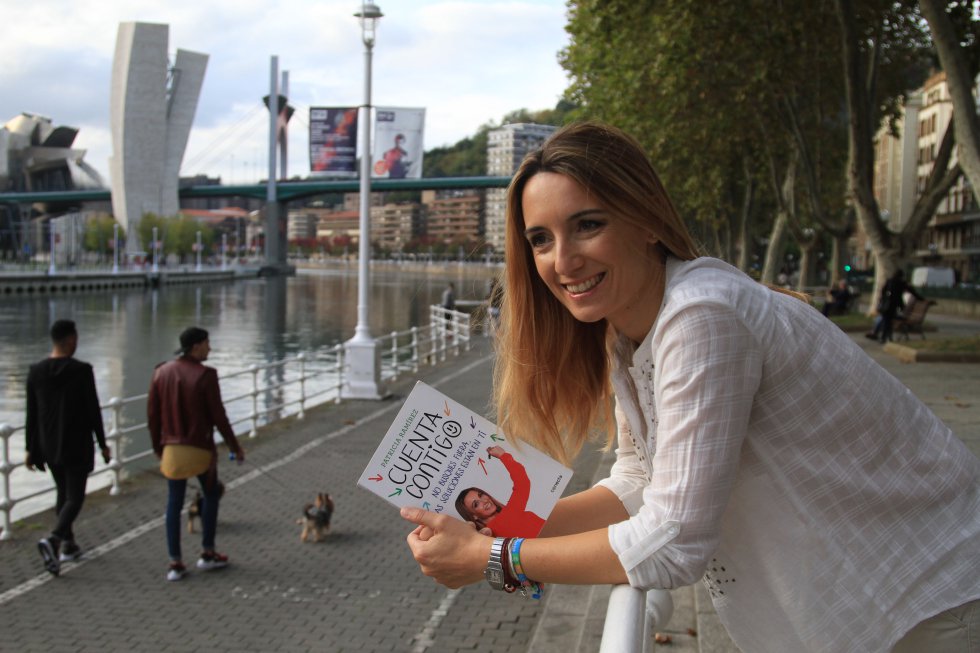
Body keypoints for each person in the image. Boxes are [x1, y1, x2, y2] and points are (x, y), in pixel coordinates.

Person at [401, 122, 979, 652]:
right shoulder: (628, 335)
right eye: (541, 239)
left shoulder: (701, 315)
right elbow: (639, 480)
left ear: (648, 221)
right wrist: (502, 524)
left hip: (930, 602)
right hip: (877, 610)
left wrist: (495, 557)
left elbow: (675, 543)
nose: (564, 260)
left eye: (588, 225)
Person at [148, 327, 245, 582]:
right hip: (199, 448)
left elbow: (153, 416)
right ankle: (207, 552)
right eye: (207, 343)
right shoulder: (206, 375)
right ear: (196, 346)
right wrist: (234, 446)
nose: (209, 348)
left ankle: (175, 562)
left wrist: (158, 448)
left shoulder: (161, 372)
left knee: (174, 502)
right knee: (211, 494)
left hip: (171, 448)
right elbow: (219, 416)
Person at [25, 319, 112, 576]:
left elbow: (31, 413)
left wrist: (30, 448)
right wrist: (103, 444)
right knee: (75, 497)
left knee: (62, 493)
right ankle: (54, 540)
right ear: (71, 340)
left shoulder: (35, 371)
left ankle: (69, 545)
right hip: (76, 443)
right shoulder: (81, 371)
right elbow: (93, 410)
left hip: (49, 444)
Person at [454, 446, 545, 537]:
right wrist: (503, 455)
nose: (484, 501)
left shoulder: (489, 538)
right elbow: (522, 483)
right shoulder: (508, 516)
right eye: (476, 504)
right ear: (474, 516)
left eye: (481, 495)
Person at [876, 269, 924, 343]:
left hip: (886, 306)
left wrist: (883, 299)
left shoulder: (889, 281)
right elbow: (912, 292)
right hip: (894, 307)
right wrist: (922, 299)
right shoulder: (902, 283)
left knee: (886, 320)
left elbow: (883, 291)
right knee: (886, 320)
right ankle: (884, 336)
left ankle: (882, 336)